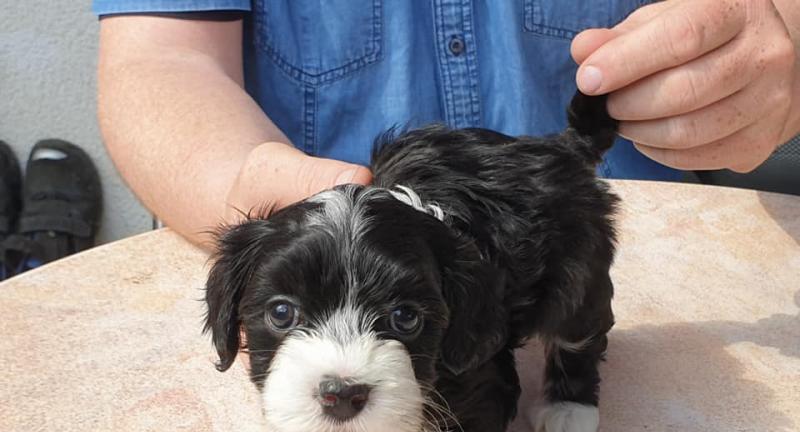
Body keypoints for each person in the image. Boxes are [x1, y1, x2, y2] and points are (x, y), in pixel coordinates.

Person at [94, 1, 800, 247]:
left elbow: (775, 22)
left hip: (639, 255)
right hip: (348, 274)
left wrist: (783, 51)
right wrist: (242, 191)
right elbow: (159, 60)